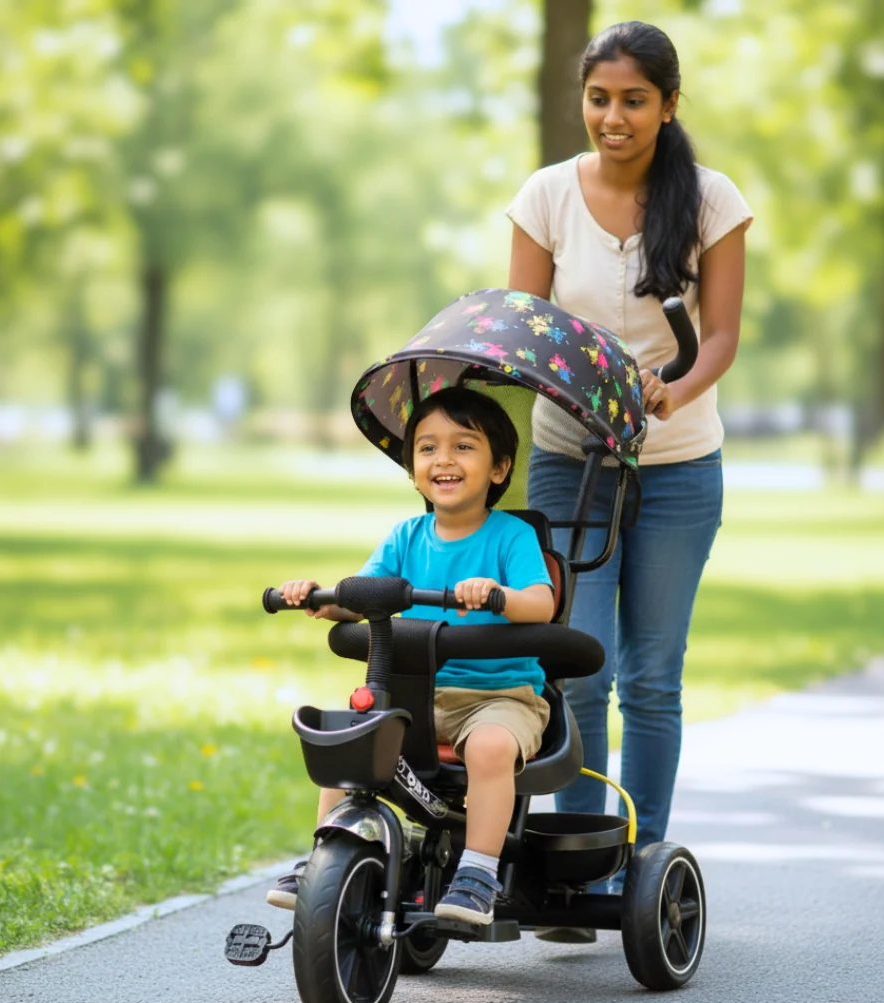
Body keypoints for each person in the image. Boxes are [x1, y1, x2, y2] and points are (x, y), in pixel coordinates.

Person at [507, 23, 752, 857]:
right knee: (580, 667)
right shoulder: (544, 196)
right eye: (599, 98)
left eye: (634, 101)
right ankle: (581, 856)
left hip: (678, 469)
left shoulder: (712, 199)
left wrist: (674, 391)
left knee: (652, 679)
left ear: (669, 106)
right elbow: (527, 329)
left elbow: (719, 334)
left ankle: (639, 862)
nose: (613, 117)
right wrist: (576, 388)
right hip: (569, 466)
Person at [267, 388, 555, 926]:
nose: (444, 459)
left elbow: (543, 602)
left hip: (499, 696)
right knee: (352, 738)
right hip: (420, 693)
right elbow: (361, 596)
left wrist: (498, 595)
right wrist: (318, 598)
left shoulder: (511, 536)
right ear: (413, 469)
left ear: (500, 468)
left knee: (490, 749)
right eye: (427, 448)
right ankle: (323, 853)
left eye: (464, 446)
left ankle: (477, 871)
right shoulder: (405, 536)